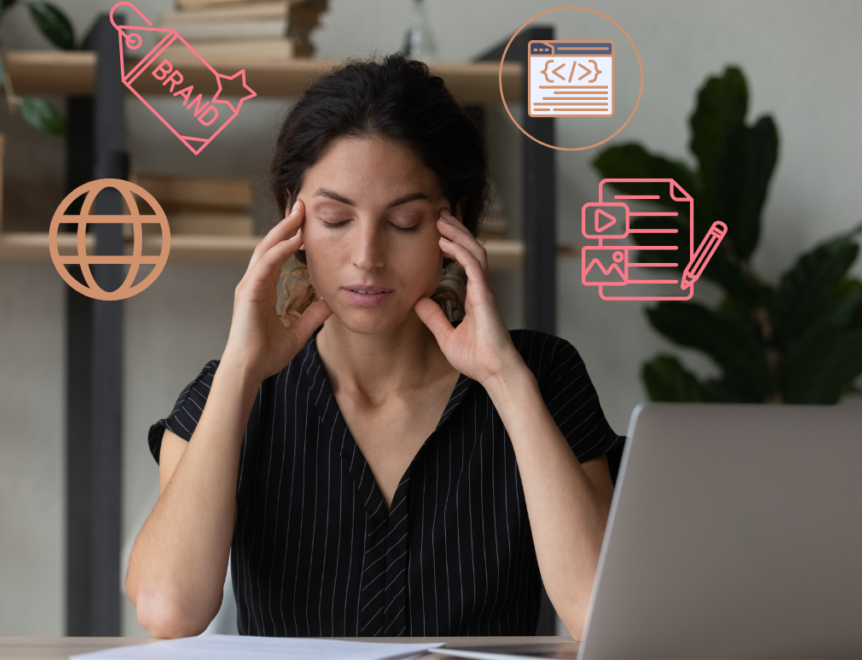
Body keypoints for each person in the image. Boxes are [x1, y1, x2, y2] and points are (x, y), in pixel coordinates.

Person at [126, 53, 625, 641]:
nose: (367, 256)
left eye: (405, 222)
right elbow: (167, 610)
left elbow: (601, 615)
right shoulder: (230, 390)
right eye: (336, 219)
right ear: (294, 221)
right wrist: (240, 370)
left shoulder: (541, 374)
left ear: (455, 222)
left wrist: (504, 381)